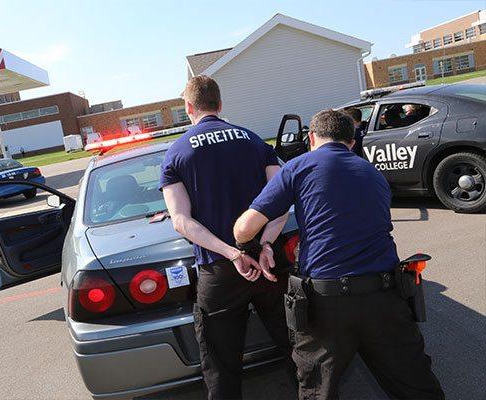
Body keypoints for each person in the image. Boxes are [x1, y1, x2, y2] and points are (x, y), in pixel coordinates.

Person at [233, 109, 444, 400]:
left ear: (311, 138)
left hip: (326, 305)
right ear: (352, 141)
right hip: (385, 298)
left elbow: (244, 228)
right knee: (416, 385)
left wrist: (254, 247)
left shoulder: (299, 167)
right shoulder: (372, 173)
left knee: (319, 390)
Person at [159, 75, 296, 399]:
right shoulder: (254, 142)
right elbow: (281, 203)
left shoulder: (176, 154)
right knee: (296, 345)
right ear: (220, 105)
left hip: (219, 271)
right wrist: (264, 245)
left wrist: (231, 253)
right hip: (268, 265)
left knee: (220, 364)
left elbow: (180, 221)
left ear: (188, 107)